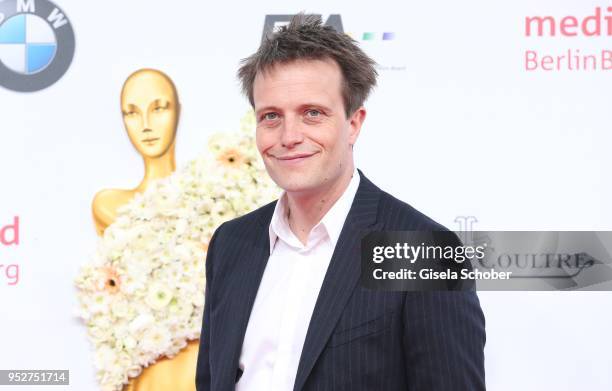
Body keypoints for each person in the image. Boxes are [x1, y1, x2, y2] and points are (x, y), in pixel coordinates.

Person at [195, 14, 486, 391]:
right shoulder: (231, 243)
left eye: (312, 113)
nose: (289, 136)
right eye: (271, 117)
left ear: (353, 123)